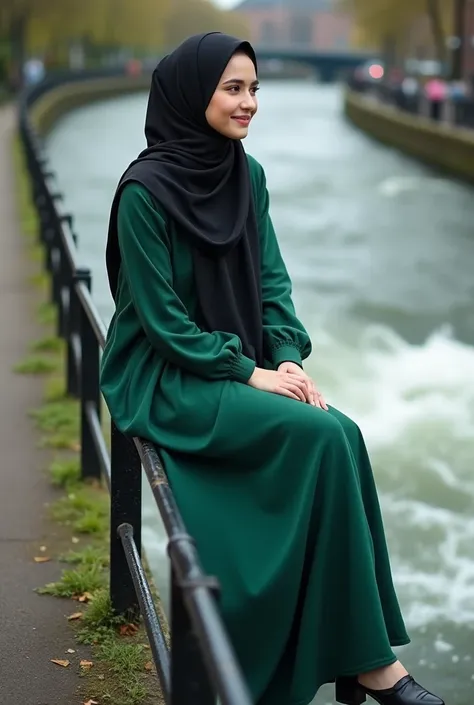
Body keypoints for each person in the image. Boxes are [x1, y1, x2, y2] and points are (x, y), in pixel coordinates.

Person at [100, 33, 445, 705]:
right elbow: (162, 321)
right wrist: (250, 372)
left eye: (254, 88)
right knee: (315, 436)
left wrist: (285, 354)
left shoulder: (246, 175)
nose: (249, 101)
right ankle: (372, 669)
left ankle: (364, 656)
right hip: (163, 374)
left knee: (341, 431)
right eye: (233, 88)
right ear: (192, 93)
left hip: (231, 364)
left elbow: (273, 287)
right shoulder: (143, 193)